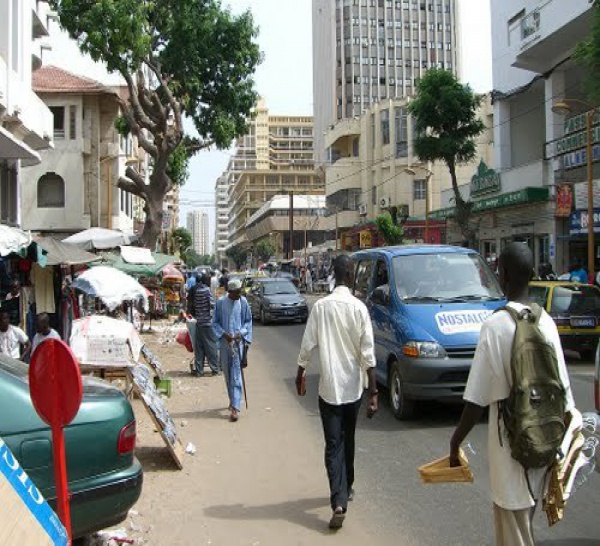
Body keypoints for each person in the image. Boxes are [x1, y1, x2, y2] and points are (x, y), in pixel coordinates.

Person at [449, 242, 574, 546]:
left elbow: (476, 400)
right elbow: (565, 397)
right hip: (544, 441)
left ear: (502, 275)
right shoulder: (546, 322)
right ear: (532, 274)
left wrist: (455, 443)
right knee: (526, 524)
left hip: (510, 449)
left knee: (513, 534)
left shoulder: (494, 325)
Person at [296, 255, 378, 530]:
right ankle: (347, 488)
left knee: (333, 445)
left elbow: (308, 344)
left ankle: (338, 500)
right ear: (351, 275)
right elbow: (368, 354)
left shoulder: (321, 307)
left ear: (333, 274)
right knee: (349, 439)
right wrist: (374, 393)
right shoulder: (359, 308)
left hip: (329, 389)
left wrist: (301, 372)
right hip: (353, 389)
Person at [212, 278, 252, 422]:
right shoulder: (221, 302)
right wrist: (224, 334)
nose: (239, 294)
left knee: (236, 375)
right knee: (228, 375)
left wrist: (241, 333)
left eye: (240, 291)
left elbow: (248, 321)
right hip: (224, 345)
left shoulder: (243, 302)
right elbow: (214, 322)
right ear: (230, 291)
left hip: (238, 345)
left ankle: (235, 408)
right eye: (236, 292)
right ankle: (232, 400)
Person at [192, 274, 220, 376]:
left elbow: (195, 306)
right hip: (207, 323)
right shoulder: (207, 291)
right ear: (207, 281)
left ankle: (199, 370)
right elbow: (212, 305)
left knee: (199, 348)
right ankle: (215, 368)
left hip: (199, 322)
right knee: (211, 347)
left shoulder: (198, 291)